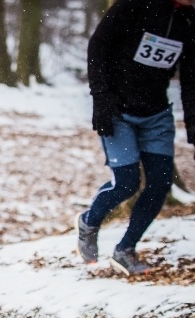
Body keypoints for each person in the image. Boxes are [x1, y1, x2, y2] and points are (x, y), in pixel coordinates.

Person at [77, 0, 195, 275]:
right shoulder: (135, 4)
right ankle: (89, 222)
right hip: (118, 111)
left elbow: (191, 76)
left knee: (160, 184)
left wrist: (193, 124)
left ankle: (125, 248)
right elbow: (98, 45)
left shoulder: (189, 22)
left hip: (157, 115)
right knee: (127, 183)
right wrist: (101, 101)